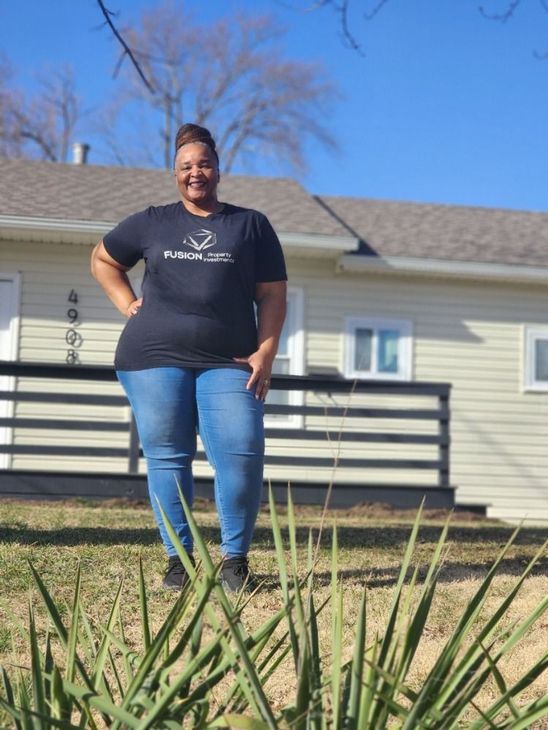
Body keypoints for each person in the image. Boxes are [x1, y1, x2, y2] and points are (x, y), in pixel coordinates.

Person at [91, 123, 287, 593]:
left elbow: (273, 294)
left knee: (241, 453)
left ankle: (234, 560)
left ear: (218, 169)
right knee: (168, 457)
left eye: (203, 164)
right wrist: (126, 304)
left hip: (230, 358)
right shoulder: (152, 221)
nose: (195, 172)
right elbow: (103, 259)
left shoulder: (250, 225)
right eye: (185, 166)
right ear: (174, 173)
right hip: (154, 354)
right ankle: (179, 560)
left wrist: (267, 350)